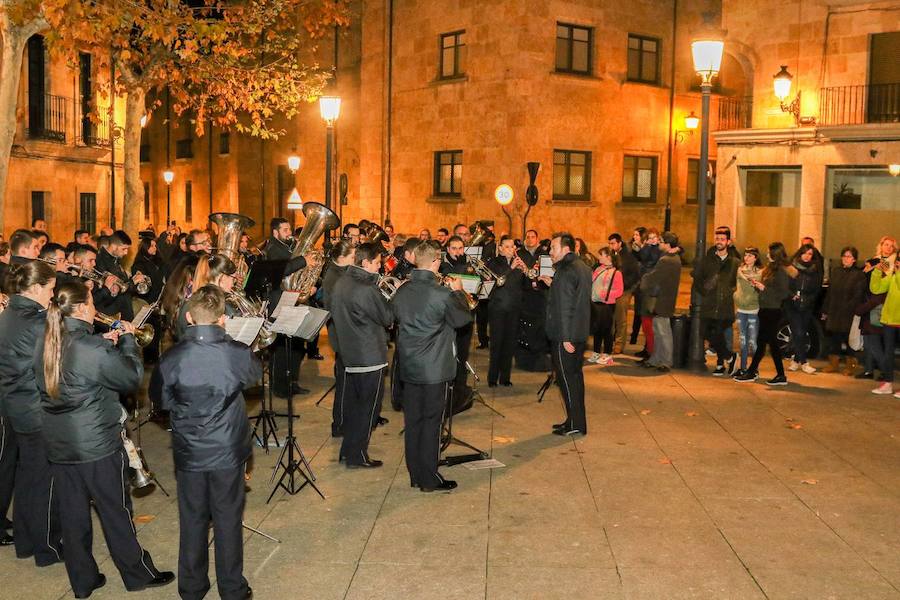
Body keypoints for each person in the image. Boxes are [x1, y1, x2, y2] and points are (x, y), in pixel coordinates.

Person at [35, 280, 174, 597]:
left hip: (59, 442)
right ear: (83, 307)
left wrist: (103, 342)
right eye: (92, 304)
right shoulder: (89, 348)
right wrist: (127, 341)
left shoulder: (46, 340)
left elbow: (74, 370)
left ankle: (83, 581)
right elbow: (131, 377)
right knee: (116, 510)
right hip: (95, 442)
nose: (96, 309)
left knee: (72, 516)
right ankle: (137, 574)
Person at [150, 285, 257, 600]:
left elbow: (160, 400)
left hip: (190, 451)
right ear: (223, 319)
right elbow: (253, 376)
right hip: (227, 449)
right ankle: (232, 588)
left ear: (188, 317)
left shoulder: (172, 357)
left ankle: (193, 587)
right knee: (227, 519)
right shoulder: (237, 352)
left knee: (193, 518)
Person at [391, 241, 472, 492]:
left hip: (409, 365)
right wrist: (459, 292)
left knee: (413, 421)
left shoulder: (402, 291)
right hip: (435, 368)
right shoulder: (442, 293)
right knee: (431, 424)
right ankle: (429, 478)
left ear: (415, 260)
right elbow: (462, 320)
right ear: (436, 261)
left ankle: (416, 473)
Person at [0, 261, 61, 566]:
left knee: (28, 478)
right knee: (45, 483)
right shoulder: (36, 322)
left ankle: (25, 541)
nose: (53, 295)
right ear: (36, 287)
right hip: (36, 410)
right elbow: (51, 369)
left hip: (16, 406)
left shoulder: (10, 311)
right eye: (50, 288)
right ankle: (46, 548)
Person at [331, 243, 393, 468]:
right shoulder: (367, 289)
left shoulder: (341, 282)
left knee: (355, 408)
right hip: (369, 355)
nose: (380, 267)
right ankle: (358, 456)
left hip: (349, 353)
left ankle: (347, 451)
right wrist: (392, 298)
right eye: (377, 263)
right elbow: (387, 317)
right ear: (365, 262)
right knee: (368, 410)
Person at [540, 232, 591, 435]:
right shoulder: (581, 266)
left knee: (567, 380)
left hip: (566, 336)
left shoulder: (565, 270)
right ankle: (575, 420)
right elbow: (574, 296)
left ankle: (575, 425)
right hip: (578, 332)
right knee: (575, 379)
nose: (550, 251)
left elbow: (566, 307)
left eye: (553, 247)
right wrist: (553, 285)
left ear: (565, 249)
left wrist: (565, 338)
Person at [735, 242, 795, 385]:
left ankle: (755, 372)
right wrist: (757, 286)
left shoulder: (780, 271)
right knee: (766, 343)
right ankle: (775, 374)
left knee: (766, 343)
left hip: (773, 310)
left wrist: (763, 289)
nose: (766, 254)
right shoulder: (770, 269)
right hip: (765, 308)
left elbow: (782, 292)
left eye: (769, 252)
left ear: (775, 253)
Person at [694, 227, 740, 376]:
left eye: (722, 239)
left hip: (725, 305)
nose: (719, 242)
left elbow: (738, 282)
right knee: (706, 332)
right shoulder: (708, 260)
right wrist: (705, 291)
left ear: (728, 242)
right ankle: (730, 356)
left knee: (719, 333)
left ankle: (720, 364)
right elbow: (697, 278)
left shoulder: (734, 262)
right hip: (709, 304)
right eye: (717, 239)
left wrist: (731, 292)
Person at [322, 240, 356, 437]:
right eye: (352, 257)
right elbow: (339, 308)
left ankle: (346, 420)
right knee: (344, 382)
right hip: (342, 335)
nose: (356, 261)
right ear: (342, 258)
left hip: (345, 333)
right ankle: (340, 424)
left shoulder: (342, 273)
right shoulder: (335, 277)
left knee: (348, 381)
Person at [485, 235, 526, 386]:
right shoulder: (493, 263)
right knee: (497, 344)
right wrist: (511, 268)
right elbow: (498, 282)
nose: (511, 249)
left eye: (512, 246)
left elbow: (525, 286)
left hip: (514, 309)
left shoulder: (518, 264)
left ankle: (505, 378)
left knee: (509, 345)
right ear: (500, 248)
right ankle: (492, 378)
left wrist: (527, 273)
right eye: (507, 247)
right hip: (498, 309)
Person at [440, 236, 475, 408]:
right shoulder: (443, 265)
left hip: (466, 315)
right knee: (451, 355)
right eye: (454, 248)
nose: (458, 251)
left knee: (463, 354)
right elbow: (453, 277)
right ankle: (451, 390)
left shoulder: (469, 265)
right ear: (448, 250)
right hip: (450, 317)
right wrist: (463, 265)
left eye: (461, 248)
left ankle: (461, 389)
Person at [821, 247, 865, 375]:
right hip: (834, 311)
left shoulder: (858, 274)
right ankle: (833, 364)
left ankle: (851, 365)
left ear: (854, 259)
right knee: (834, 339)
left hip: (848, 313)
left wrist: (849, 308)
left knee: (849, 339)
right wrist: (825, 309)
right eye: (844, 256)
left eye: (849, 256)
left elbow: (858, 296)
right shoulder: (836, 271)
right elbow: (829, 293)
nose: (846, 259)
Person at [786, 243, 823, 374]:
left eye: (810, 254)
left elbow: (817, 288)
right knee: (798, 332)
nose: (807, 256)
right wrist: (792, 295)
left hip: (807, 305)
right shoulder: (792, 267)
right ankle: (804, 362)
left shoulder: (815, 270)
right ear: (800, 253)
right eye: (805, 253)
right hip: (792, 305)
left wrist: (809, 299)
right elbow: (785, 284)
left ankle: (796, 360)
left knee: (802, 332)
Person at [132, 236, 166, 362]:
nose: (155, 248)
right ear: (145, 247)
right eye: (151, 246)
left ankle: (155, 356)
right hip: (147, 301)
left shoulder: (158, 261)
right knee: (150, 328)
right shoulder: (139, 264)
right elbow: (141, 285)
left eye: (155, 245)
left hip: (158, 299)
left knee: (157, 330)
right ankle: (150, 358)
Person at [587, 247, 623, 365]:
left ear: (608, 257)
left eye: (601, 255)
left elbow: (619, 291)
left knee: (607, 330)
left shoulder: (616, 273)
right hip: (596, 303)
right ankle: (596, 352)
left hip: (607, 304)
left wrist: (605, 294)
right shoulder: (598, 269)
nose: (599, 257)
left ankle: (607, 354)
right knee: (597, 329)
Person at [608, 233, 641, 354]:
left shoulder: (628, 256)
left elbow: (634, 274)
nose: (611, 246)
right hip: (611, 290)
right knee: (611, 317)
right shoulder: (611, 255)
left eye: (613, 243)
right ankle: (609, 341)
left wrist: (624, 284)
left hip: (624, 290)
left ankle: (619, 344)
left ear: (619, 243)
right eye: (609, 243)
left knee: (620, 317)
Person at [734, 247, 762, 376]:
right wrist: (736, 296)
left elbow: (759, 287)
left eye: (750, 256)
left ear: (756, 258)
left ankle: (754, 368)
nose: (747, 258)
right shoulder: (740, 270)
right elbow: (738, 286)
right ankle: (743, 368)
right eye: (745, 255)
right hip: (741, 309)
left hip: (753, 310)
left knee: (753, 341)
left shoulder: (760, 272)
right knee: (743, 340)